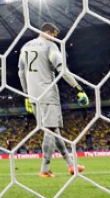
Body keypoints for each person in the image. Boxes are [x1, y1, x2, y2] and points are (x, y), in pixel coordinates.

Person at [17, 22, 89, 178]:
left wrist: (26, 95)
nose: (55, 38)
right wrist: (78, 88)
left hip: (33, 95)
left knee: (54, 131)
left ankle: (71, 165)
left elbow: (21, 73)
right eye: (55, 35)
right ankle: (44, 169)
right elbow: (62, 69)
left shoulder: (26, 47)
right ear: (48, 32)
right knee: (50, 129)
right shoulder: (50, 46)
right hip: (48, 93)